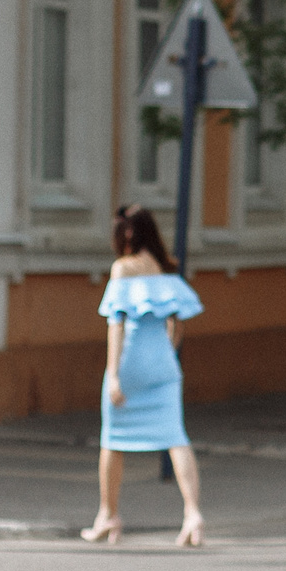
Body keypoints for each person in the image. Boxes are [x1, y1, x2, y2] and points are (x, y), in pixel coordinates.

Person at [84, 206, 206, 548]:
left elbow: (116, 324)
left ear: (124, 234)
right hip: (164, 363)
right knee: (176, 437)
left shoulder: (123, 269)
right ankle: (193, 513)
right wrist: (166, 349)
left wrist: (113, 376)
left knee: (113, 439)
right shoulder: (166, 268)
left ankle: (108, 515)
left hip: (132, 362)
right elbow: (177, 322)